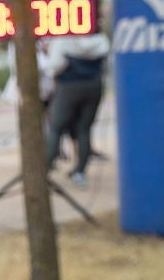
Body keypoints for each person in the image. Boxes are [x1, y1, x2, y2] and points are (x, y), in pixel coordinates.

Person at [38, 13, 111, 187]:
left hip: (69, 87)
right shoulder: (99, 39)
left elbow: (53, 67)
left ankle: (45, 170)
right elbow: (106, 62)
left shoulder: (63, 39)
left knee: (55, 127)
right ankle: (80, 171)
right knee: (84, 130)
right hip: (94, 86)